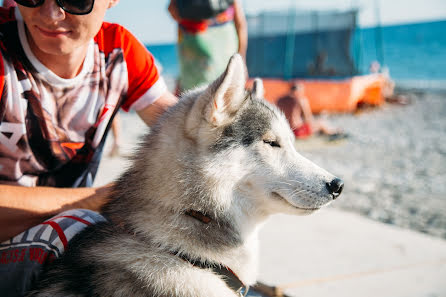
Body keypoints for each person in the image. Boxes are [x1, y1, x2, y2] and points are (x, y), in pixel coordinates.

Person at [0, 0, 178, 295]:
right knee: (80, 228)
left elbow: (190, 137)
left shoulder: (117, 51)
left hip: (66, 244)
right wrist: (97, 199)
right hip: (45, 241)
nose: (51, 15)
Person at [168, 0, 247, 93]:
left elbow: (172, 10)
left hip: (194, 36)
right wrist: (242, 59)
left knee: (191, 94)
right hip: (225, 38)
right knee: (226, 89)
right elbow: (240, 21)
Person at [276, 83, 346, 140]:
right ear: (299, 91)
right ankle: (333, 133)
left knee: (319, 122)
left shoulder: (279, 100)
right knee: (321, 122)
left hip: (285, 131)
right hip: (297, 132)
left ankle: (330, 132)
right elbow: (309, 119)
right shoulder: (300, 100)